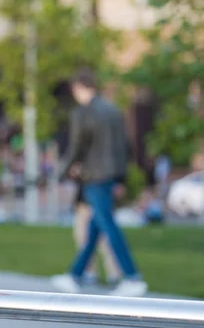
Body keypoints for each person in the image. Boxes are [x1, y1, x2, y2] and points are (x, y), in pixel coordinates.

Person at [51, 68, 148, 297]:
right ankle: (75, 274)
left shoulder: (83, 113)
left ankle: (132, 276)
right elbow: (125, 146)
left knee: (108, 225)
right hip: (110, 175)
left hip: (94, 176)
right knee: (96, 227)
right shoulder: (113, 110)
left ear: (79, 88)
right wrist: (120, 177)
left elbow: (77, 147)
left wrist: (61, 173)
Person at [71, 165, 121, 286]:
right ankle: (89, 272)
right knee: (82, 238)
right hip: (82, 204)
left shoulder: (99, 162)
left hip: (97, 203)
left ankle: (114, 274)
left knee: (105, 241)